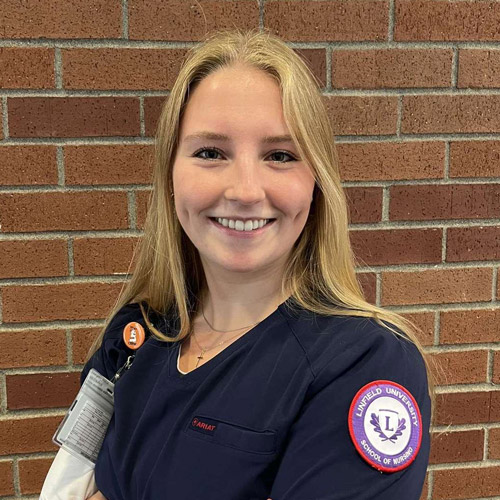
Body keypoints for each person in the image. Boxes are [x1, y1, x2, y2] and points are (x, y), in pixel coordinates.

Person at [81, 27, 434, 500]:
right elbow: (77, 477)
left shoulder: (366, 367)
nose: (245, 190)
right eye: (210, 152)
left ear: (317, 181)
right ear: (170, 173)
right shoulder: (137, 333)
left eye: (280, 155)